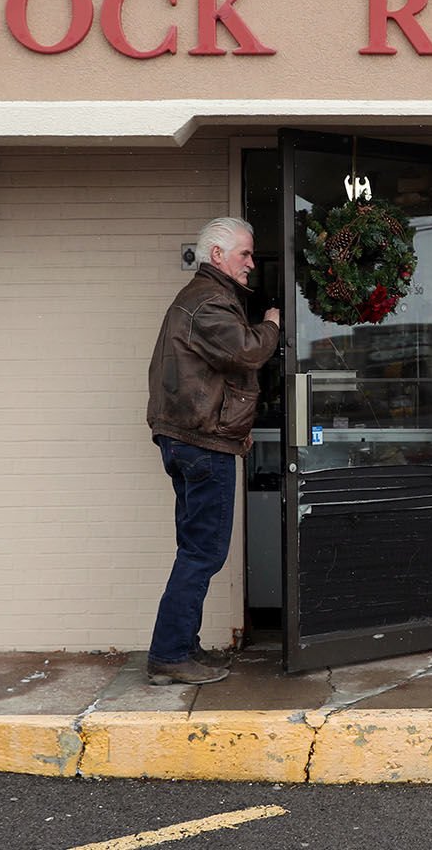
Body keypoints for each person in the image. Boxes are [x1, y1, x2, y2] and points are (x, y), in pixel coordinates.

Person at [145, 217, 281, 685]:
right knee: (203, 554)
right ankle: (168, 655)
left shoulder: (201, 299)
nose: (251, 262)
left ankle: (182, 646)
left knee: (195, 551)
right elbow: (245, 353)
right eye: (245, 253)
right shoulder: (209, 302)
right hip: (201, 446)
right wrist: (271, 325)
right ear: (217, 255)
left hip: (190, 441)